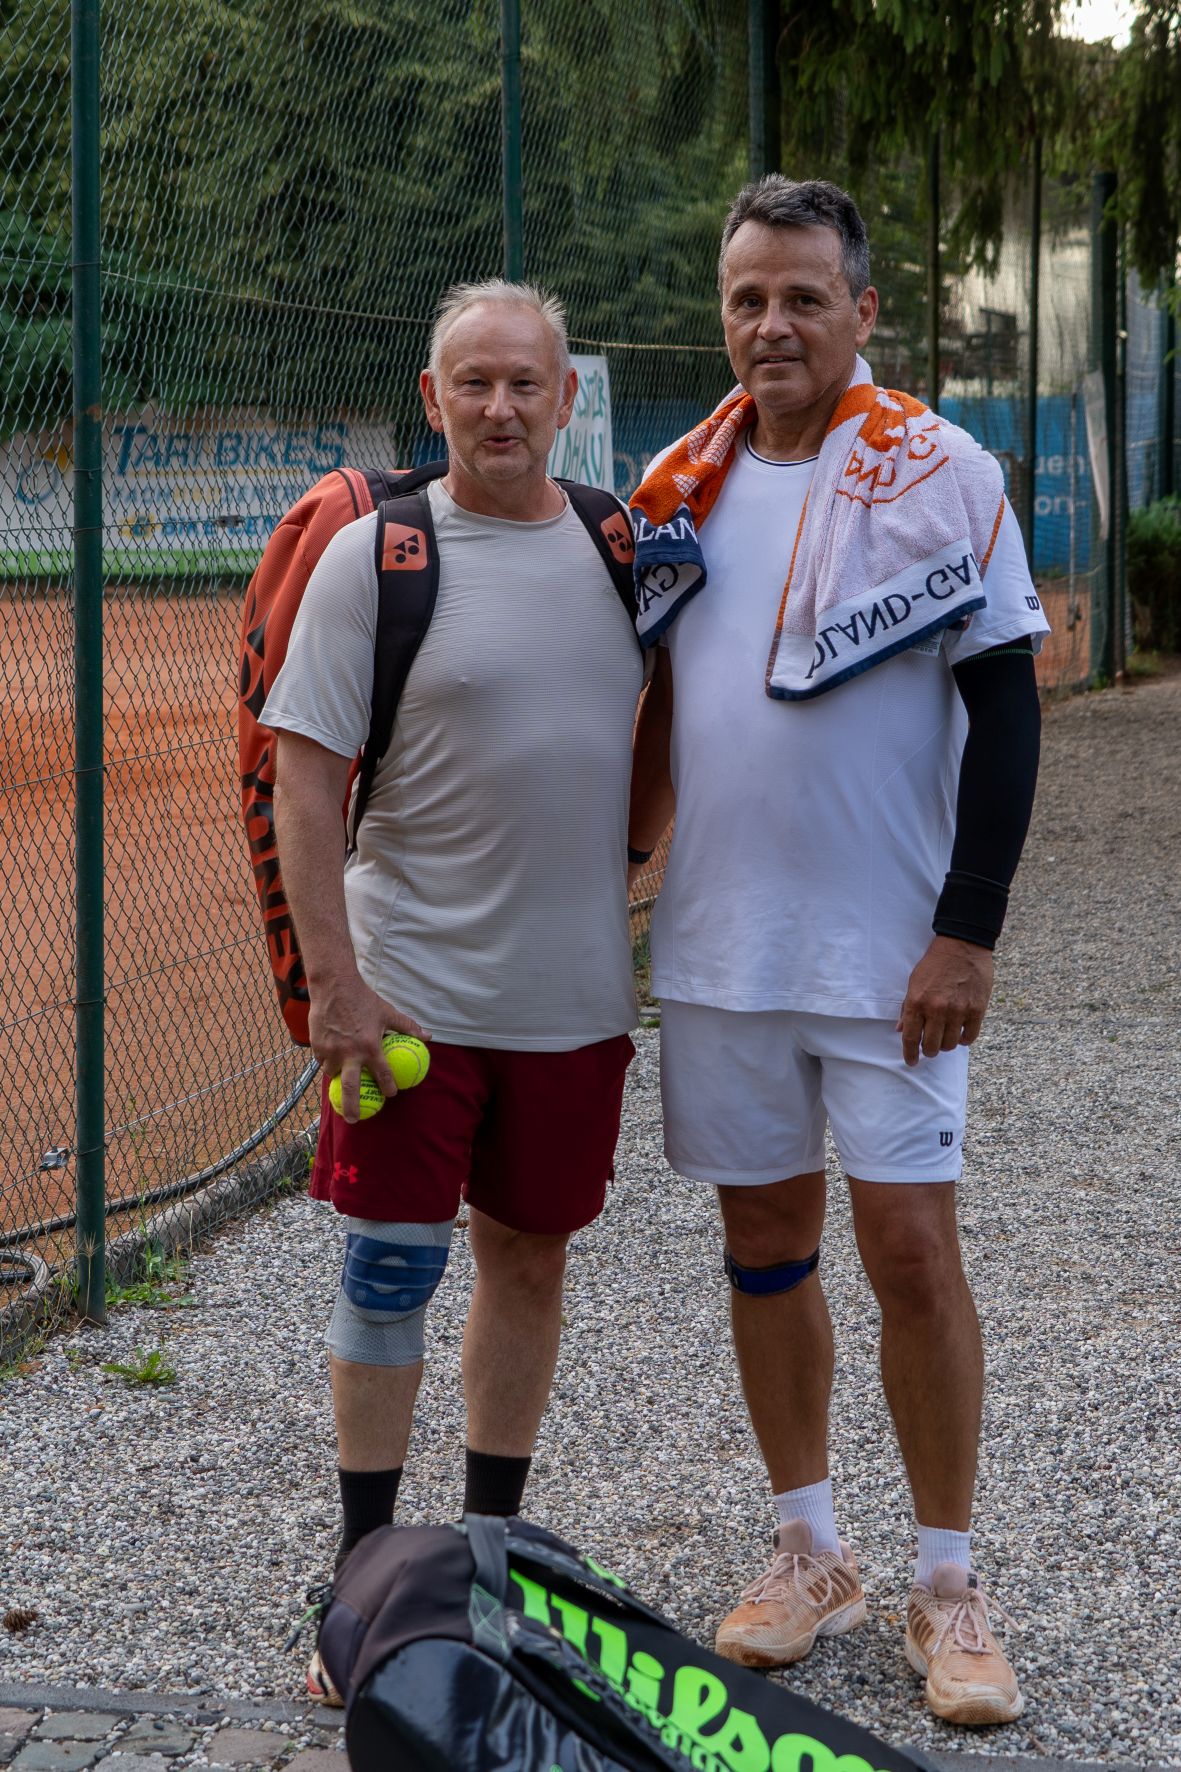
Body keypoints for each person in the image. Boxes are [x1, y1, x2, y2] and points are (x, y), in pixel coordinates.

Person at [627, 177, 1046, 1726]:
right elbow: (640, 711)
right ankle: (809, 1551)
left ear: (862, 311)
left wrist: (966, 931)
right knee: (764, 1245)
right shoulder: (673, 490)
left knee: (912, 1252)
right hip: (720, 951)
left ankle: (946, 1581)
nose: (772, 324)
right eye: (746, 297)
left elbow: (1006, 713)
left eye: (803, 296)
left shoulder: (943, 474)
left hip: (891, 961)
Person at [261, 279, 643, 1703]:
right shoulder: (378, 558)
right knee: (389, 1271)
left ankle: (487, 1563)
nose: (498, 408)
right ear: (432, 398)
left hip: (572, 1002)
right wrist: (336, 987)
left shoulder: (619, 549)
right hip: (410, 998)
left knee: (529, 1263)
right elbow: (306, 783)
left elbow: (673, 731)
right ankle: (360, 1581)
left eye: (523, 383)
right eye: (471, 383)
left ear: (563, 398)